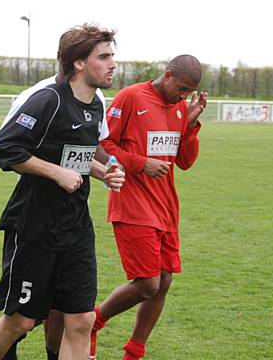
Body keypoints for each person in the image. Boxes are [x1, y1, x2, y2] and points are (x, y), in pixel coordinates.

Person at [0, 23, 125, 360]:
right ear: (78, 63)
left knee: (82, 320)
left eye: (113, 56)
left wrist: (103, 173)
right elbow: (3, 149)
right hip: (34, 225)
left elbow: (77, 157)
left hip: (76, 228)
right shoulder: (48, 101)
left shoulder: (95, 105)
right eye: (103, 57)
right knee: (22, 321)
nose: (113, 64)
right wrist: (55, 173)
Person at [89, 55, 208, 360]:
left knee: (164, 281)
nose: (183, 96)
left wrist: (191, 125)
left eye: (188, 91)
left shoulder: (181, 107)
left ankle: (134, 352)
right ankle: (93, 321)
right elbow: (103, 146)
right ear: (167, 75)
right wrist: (141, 164)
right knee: (147, 283)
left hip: (165, 206)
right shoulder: (131, 97)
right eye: (181, 88)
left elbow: (184, 162)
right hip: (132, 202)